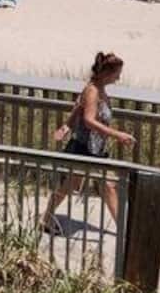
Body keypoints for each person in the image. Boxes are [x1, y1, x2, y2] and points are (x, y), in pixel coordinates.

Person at [38, 52, 134, 235]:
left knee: (98, 186)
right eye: (117, 74)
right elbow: (89, 119)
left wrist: (66, 126)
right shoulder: (93, 91)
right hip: (86, 148)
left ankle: (46, 217)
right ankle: (125, 230)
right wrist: (117, 135)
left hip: (95, 148)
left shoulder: (98, 89)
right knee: (103, 186)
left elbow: (77, 110)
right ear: (107, 73)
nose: (119, 78)